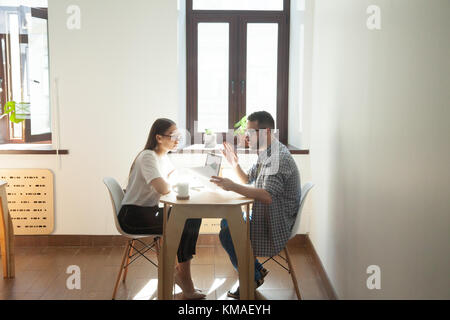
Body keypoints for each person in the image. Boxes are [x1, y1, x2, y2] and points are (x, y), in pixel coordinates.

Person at [210, 111, 301, 299]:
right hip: (265, 214)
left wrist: (232, 186)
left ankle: (251, 278)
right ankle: (256, 271)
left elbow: (267, 197)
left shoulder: (278, 158)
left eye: (251, 132)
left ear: (266, 132)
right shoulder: (266, 153)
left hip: (276, 223)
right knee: (228, 222)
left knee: (228, 232)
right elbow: (247, 179)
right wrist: (234, 164)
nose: (246, 137)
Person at [119, 118, 205, 299]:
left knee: (190, 216)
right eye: (173, 136)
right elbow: (163, 188)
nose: (177, 140)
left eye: (178, 136)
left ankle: (181, 276)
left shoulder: (163, 156)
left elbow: (172, 178)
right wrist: (173, 183)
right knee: (187, 219)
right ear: (159, 137)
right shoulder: (148, 156)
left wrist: (191, 178)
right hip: (134, 217)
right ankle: (184, 280)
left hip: (147, 212)